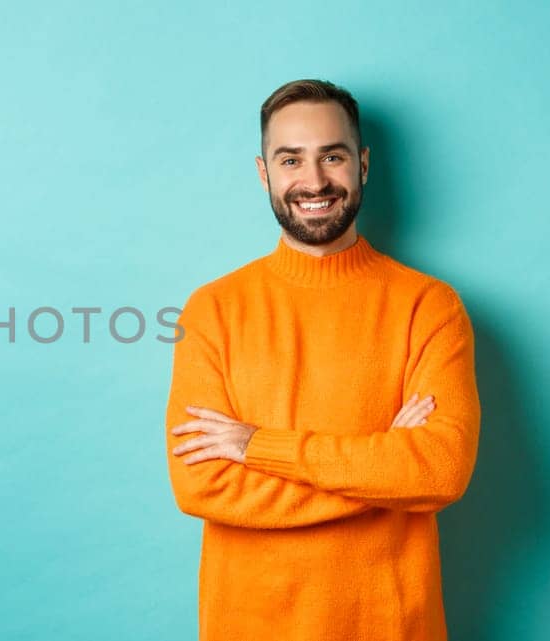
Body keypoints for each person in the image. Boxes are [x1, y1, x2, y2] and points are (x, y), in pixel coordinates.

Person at [163, 78, 482, 641]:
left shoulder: (428, 306)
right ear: (265, 173)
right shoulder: (213, 309)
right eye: (291, 160)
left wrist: (256, 447)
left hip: (390, 625)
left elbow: (438, 470)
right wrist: (382, 476)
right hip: (249, 625)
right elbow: (202, 486)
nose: (313, 182)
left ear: (362, 164)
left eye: (331, 156)